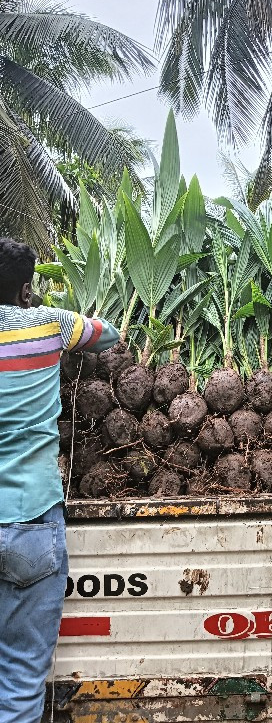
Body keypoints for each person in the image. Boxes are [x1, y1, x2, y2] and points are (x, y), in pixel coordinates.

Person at [0, 238, 119, 723]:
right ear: (26, 289)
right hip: (31, 518)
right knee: (23, 674)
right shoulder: (49, 323)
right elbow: (107, 334)